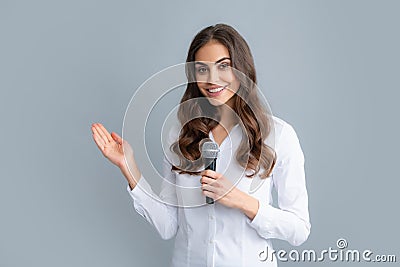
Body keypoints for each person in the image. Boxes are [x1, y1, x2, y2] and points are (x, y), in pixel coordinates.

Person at [91, 23, 310, 267]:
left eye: (223, 66)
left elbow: (299, 230)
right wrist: (128, 165)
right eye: (202, 69)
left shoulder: (278, 135)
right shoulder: (180, 134)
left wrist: (240, 200)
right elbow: (167, 226)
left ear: (242, 68)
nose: (212, 79)